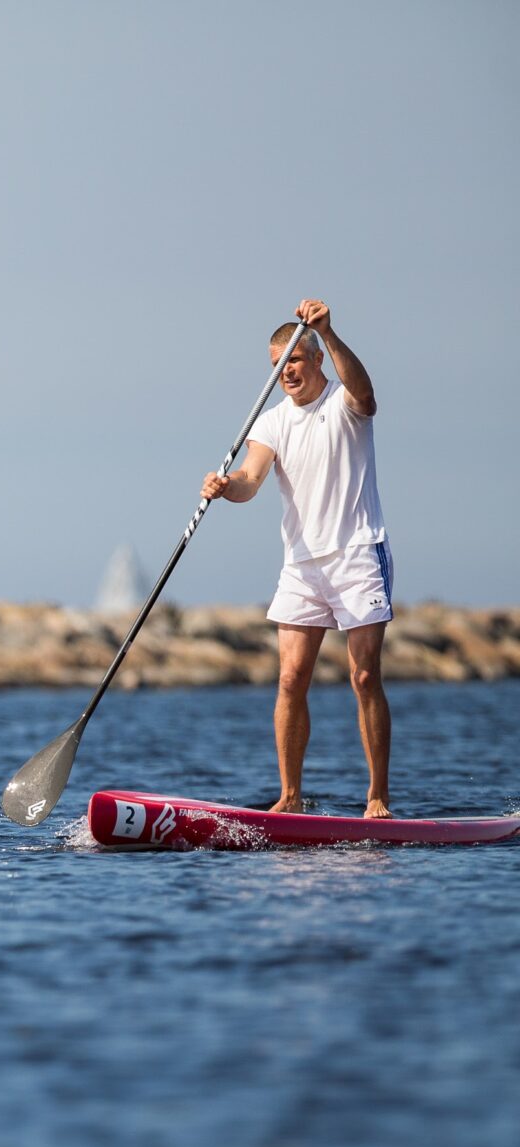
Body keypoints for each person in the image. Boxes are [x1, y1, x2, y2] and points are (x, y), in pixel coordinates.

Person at [200, 299, 391, 817]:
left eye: (293, 362)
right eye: (276, 366)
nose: (285, 373)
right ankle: (290, 797)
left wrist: (329, 332)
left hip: (357, 552)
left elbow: (369, 397)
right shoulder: (272, 423)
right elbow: (251, 481)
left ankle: (377, 797)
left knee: (364, 677)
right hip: (302, 564)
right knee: (289, 679)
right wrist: (224, 486)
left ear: (315, 360)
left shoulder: (344, 401)